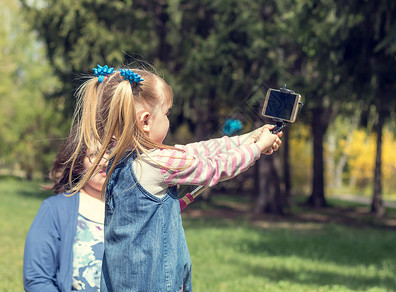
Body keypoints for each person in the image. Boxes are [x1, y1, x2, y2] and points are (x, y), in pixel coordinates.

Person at [66, 65, 283, 292]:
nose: (169, 120)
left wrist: (248, 139)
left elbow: (196, 151)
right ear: (146, 121)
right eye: (167, 113)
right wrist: (257, 149)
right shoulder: (157, 163)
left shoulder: (117, 158)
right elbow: (215, 167)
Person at [23, 125, 108, 292]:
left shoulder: (134, 207)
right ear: (78, 165)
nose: (104, 161)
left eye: (109, 151)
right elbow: (38, 280)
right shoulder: (55, 210)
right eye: (93, 154)